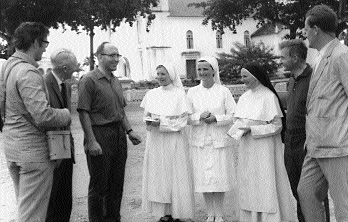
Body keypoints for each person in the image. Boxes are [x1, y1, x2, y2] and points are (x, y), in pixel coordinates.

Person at [0, 22, 71, 222]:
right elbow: (43, 116)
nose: (46, 47)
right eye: (45, 42)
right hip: (33, 152)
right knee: (33, 215)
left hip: (13, 147)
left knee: (25, 208)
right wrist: (65, 114)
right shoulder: (28, 72)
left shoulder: (7, 67)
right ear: (35, 42)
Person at [77, 41, 142, 222]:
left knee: (116, 184)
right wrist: (91, 140)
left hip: (118, 136)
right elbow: (83, 112)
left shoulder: (115, 80)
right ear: (99, 57)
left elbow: (120, 111)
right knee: (99, 186)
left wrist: (129, 131)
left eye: (117, 55)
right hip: (99, 135)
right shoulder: (88, 80)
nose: (115, 59)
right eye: (111, 55)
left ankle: (114, 219)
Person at [297, 4, 348, 222]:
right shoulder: (319, 58)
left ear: (316, 29)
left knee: (344, 204)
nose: (304, 33)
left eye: (306, 29)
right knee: (306, 193)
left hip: (337, 146)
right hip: (315, 145)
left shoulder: (341, 55)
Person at [229, 62, 296, 222]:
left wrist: (253, 130)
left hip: (264, 150)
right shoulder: (244, 97)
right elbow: (238, 118)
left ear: (255, 77)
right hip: (246, 148)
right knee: (249, 183)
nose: (242, 80)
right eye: (242, 76)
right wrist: (237, 128)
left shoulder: (269, 96)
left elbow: (277, 126)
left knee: (264, 182)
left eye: (245, 76)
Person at [141, 63, 195, 222]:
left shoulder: (179, 94)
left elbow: (182, 121)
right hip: (156, 141)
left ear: (171, 74)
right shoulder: (151, 94)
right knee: (159, 175)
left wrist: (162, 123)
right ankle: (163, 212)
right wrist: (149, 122)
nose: (160, 77)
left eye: (163, 74)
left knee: (175, 174)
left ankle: (176, 211)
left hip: (174, 141)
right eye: (158, 74)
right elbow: (147, 116)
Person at [187, 56, 236, 222]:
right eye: (199, 69)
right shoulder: (192, 92)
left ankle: (220, 213)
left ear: (213, 70)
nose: (202, 73)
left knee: (219, 177)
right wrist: (198, 117)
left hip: (219, 140)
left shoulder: (224, 91)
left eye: (205, 69)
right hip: (200, 141)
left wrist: (216, 118)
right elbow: (186, 117)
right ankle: (210, 213)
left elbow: (233, 115)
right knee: (204, 178)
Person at [44, 48, 79, 222]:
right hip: (51, 150)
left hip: (66, 148)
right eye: (74, 67)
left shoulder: (66, 85)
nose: (75, 71)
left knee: (66, 200)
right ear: (65, 68)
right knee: (53, 201)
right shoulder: (44, 83)